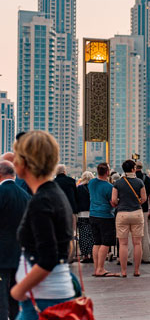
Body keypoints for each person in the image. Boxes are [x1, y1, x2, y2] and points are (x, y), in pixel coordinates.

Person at [10, 131, 76, 319]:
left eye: (17, 156)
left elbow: (48, 257)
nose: (13, 162)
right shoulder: (53, 193)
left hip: (42, 300)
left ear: (26, 162)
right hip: (49, 295)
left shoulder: (42, 200)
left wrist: (17, 291)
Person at [0, 161, 30, 320]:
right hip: (19, 252)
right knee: (14, 292)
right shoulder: (25, 195)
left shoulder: (1, 193)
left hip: (2, 252)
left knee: (1, 293)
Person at [112, 160, 147, 277]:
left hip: (122, 214)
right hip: (137, 213)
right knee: (137, 243)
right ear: (133, 169)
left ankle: (123, 271)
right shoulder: (140, 182)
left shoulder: (118, 183)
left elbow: (113, 200)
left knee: (123, 244)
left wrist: (121, 203)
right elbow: (144, 198)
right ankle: (136, 270)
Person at [89, 162, 118, 277]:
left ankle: (96, 268)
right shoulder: (109, 187)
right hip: (105, 216)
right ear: (107, 172)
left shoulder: (91, 183)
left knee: (97, 243)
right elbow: (113, 202)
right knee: (105, 243)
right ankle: (101, 268)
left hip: (93, 215)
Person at [135, 162, 150, 264]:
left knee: (132, 235)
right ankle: (146, 256)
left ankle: (131, 257)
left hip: (132, 209)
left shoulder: (129, 179)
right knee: (145, 233)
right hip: (144, 209)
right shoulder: (147, 179)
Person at [76, 171, 95, 264]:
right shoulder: (93, 188)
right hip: (93, 213)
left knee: (83, 236)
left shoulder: (79, 188)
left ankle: (85, 255)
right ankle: (93, 254)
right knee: (92, 235)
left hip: (82, 214)